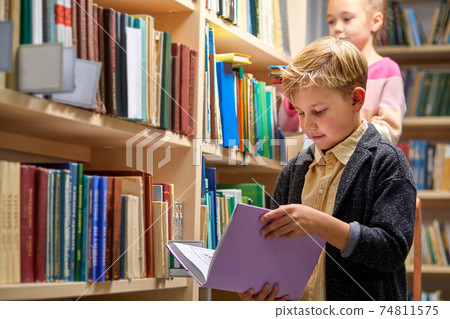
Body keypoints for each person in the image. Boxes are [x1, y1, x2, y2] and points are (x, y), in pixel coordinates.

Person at [238, 36, 416, 301]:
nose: (307, 125)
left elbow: (391, 250)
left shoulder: (387, 162)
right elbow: (277, 252)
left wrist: (320, 224)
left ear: (356, 100)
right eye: (300, 112)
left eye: (318, 111)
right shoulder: (294, 170)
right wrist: (262, 288)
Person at [279, 0, 406, 145]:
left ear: (375, 21)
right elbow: (288, 128)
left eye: (347, 19)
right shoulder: (323, 70)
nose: (337, 28)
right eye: (331, 21)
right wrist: (293, 99)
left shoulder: (388, 70)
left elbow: (390, 132)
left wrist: (345, 134)